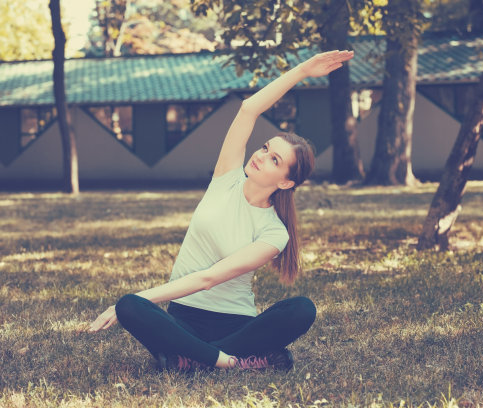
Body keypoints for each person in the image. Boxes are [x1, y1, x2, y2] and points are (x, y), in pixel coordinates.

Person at [88, 50, 355, 372]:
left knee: (302, 309)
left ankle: (195, 358)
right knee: (130, 305)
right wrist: (301, 70)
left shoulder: (275, 232)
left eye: (275, 160)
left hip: (237, 325)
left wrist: (146, 297)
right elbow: (248, 109)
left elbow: (209, 278)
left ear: (286, 183)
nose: (261, 155)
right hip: (183, 316)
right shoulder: (226, 177)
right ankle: (230, 360)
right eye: (266, 148)